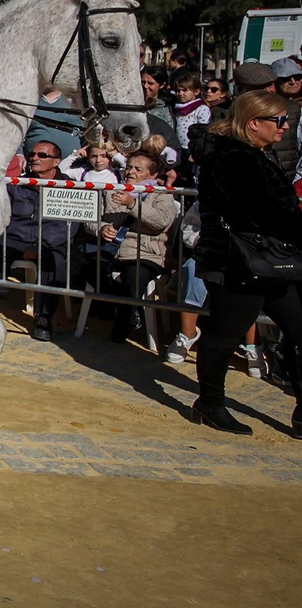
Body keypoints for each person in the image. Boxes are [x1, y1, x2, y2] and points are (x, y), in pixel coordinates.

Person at [188, 90, 302, 437]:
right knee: (223, 336)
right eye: (279, 121)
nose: (285, 127)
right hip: (236, 261)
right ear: (255, 123)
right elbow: (259, 211)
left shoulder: (256, 153)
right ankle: (209, 403)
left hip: (271, 261)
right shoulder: (234, 158)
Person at [0, 140, 77, 341]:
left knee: (54, 262)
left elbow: (68, 225)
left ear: (56, 161)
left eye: (42, 155)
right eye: (32, 154)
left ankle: (43, 318)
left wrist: (42, 244)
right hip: (15, 238)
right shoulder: (17, 184)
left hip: (49, 242)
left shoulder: (69, 187)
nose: (34, 158)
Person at [83, 150, 178, 343]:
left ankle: (123, 320)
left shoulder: (161, 195)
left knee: (135, 277)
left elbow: (161, 221)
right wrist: (101, 228)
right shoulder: (111, 189)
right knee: (88, 267)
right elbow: (89, 219)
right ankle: (127, 307)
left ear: (153, 175)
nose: (130, 172)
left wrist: (133, 204)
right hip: (111, 249)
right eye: (128, 167)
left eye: (138, 169)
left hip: (144, 252)